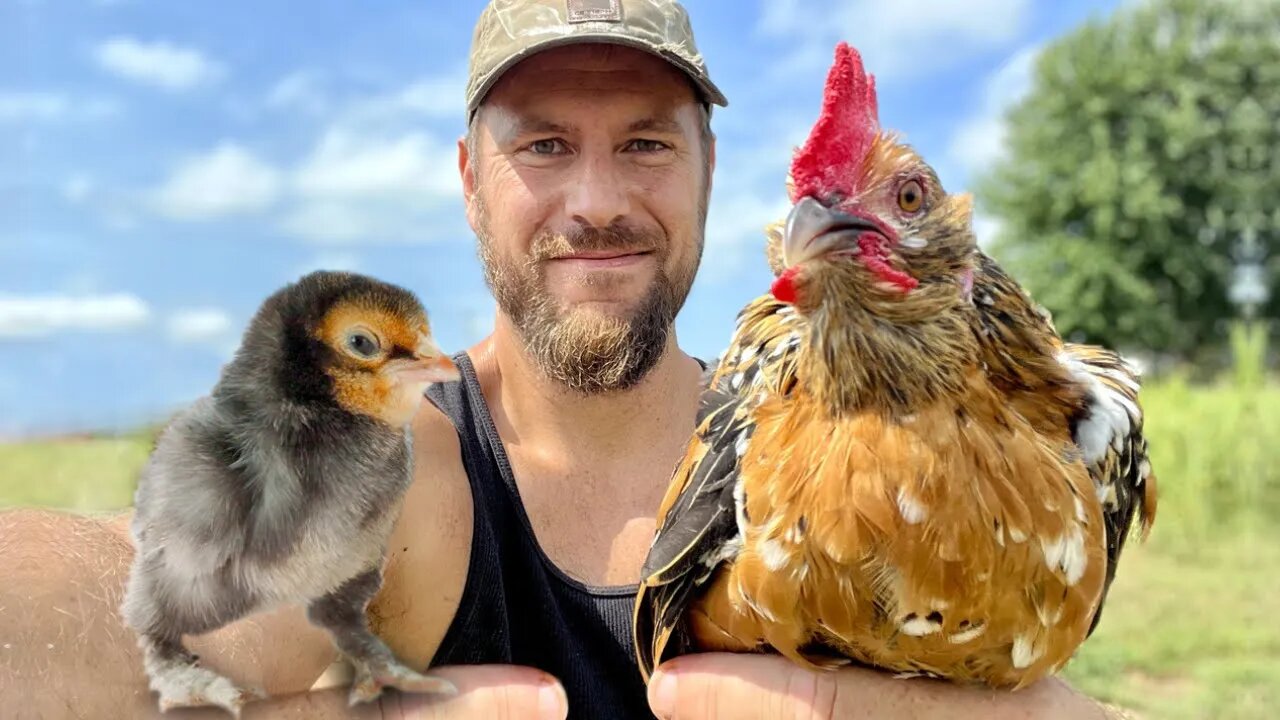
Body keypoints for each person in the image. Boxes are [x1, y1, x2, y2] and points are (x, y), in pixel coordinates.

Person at [2, 1, 1117, 718]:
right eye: (542, 144)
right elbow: (134, 585)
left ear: (707, 171)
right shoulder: (399, 459)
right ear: (468, 179)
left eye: (643, 142)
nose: (595, 203)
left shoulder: (897, 446)